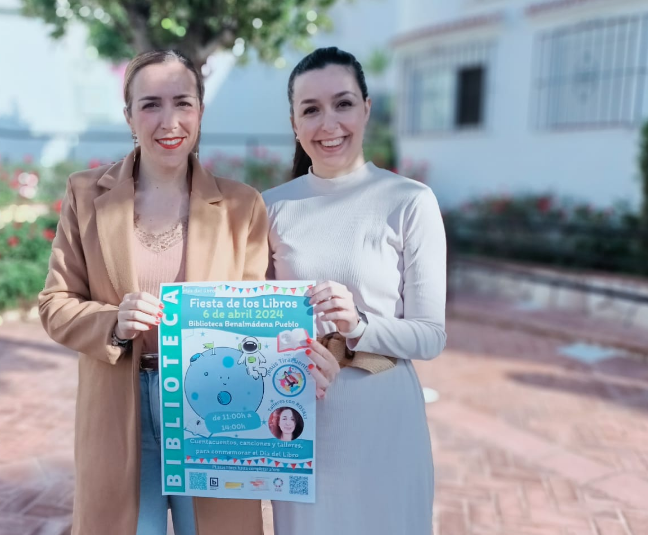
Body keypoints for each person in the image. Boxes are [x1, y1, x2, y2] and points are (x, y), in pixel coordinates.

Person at [39, 50, 268, 535]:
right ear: (128, 117)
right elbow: (55, 304)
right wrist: (112, 324)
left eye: (183, 103)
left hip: (212, 406)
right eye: (150, 105)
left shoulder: (242, 206)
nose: (169, 121)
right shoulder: (85, 195)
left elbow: (258, 323)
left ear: (200, 111)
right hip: (120, 402)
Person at [262, 47, 447, 535]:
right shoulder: (271, 208)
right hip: (300, 419)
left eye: (343, 104)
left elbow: (430, 336)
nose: (329, 124)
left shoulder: (409, 200)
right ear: (294, 121)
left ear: (366, 108)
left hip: (386, 419)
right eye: (311, 109)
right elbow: (256, 322)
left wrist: (359, 326)